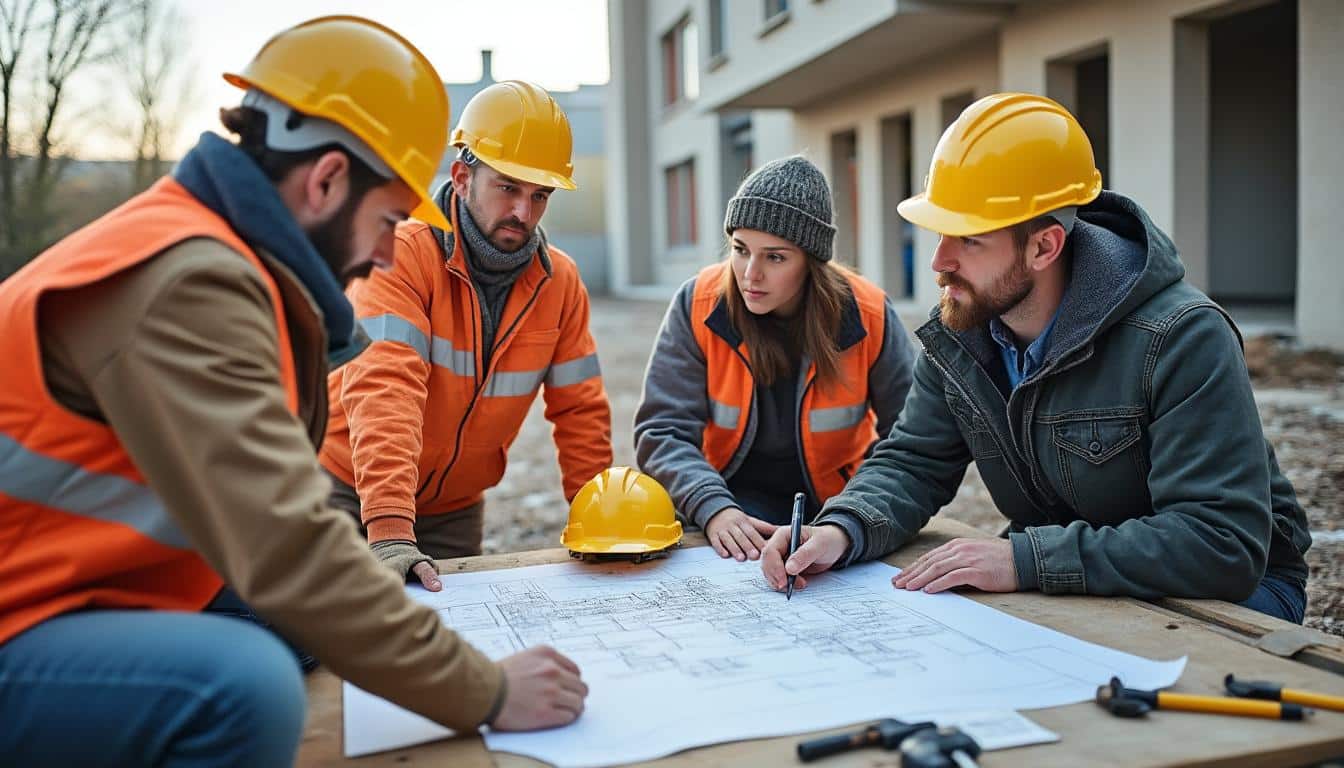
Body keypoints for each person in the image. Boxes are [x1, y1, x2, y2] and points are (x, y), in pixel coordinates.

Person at [0, 17, 586, 767]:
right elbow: (288, 549)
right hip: (24, 614)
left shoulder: (214, 255)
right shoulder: (190, 284)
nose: (387, 249)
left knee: (302, 627)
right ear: (327, 178)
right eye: (388, 220)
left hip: (64, 588)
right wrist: (489, 692)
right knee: (247, 687)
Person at [760, 93, 1312, 623]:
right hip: (1074, 577)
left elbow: (1219, 544)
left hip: (1237, 595)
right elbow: (913, 462)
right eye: (939, 233)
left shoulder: (1181, 337)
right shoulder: (963, 329)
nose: (939, 261)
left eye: (968, 240)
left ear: (1045, 246)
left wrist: (1025, 560)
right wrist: (840, 530)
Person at [319, 81, 613, 591]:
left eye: (539, 195)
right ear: (461, 177)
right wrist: (389, 527)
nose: (524, 212)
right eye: (508, 187)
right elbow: (384, 386)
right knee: (339, 648)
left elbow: (579, 410)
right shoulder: (400, 252)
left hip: (455, 509)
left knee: (456, 643)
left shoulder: (560, 282)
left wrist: (603, 522)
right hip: (349, 492)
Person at [635, 155, 916, 562]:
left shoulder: (868, 314)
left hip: (836, 507)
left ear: (811, 263)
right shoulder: (697, 303)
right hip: (727, 501)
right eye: (740, 249)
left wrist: (853, 517)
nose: (751, 273)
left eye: (775, 257)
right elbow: (661, 431)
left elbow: (907, 441)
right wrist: (713, 508)